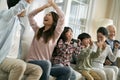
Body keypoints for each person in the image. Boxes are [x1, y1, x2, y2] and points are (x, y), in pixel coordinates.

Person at [26, 0, 71, 80]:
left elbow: (62, 17)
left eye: (49, 15)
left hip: (46, 66)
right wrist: (44, 7)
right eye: (46, 15)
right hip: (32, 62)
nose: (46, 16)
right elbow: (30, 15)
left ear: (54, 20)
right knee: (47, 63)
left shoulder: (55, 34)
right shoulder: (37, 30)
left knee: (67, 70)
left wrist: (53, 4)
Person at [0, 0, 43, 80]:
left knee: (37, 70)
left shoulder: (20, 24)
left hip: (14, 59)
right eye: (25, 8)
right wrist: (27, 2)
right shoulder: (5, 16)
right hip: (3, 58)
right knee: (20, 65)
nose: (26, 10)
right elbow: (15, 10)